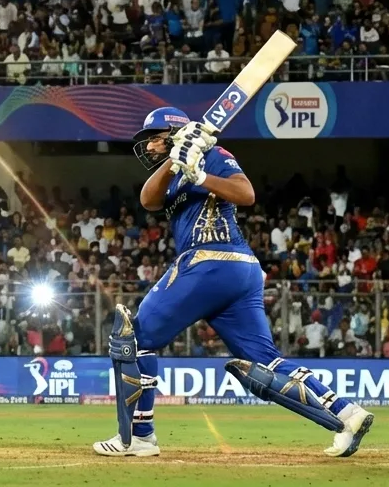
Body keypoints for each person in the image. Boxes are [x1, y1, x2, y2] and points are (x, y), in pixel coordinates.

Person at [92, 107, 374, 458]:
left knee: (134, 339)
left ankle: (138, 437)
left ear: (173, 132)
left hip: (209, 259)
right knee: (266, 362)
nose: (148, 148)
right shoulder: (177, 169)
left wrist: (200, 175)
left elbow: (246, 194)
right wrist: (179, 160)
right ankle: (347, 413)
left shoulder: (214, 154)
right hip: (238, 272)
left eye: (153, 139)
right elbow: (147, 200)